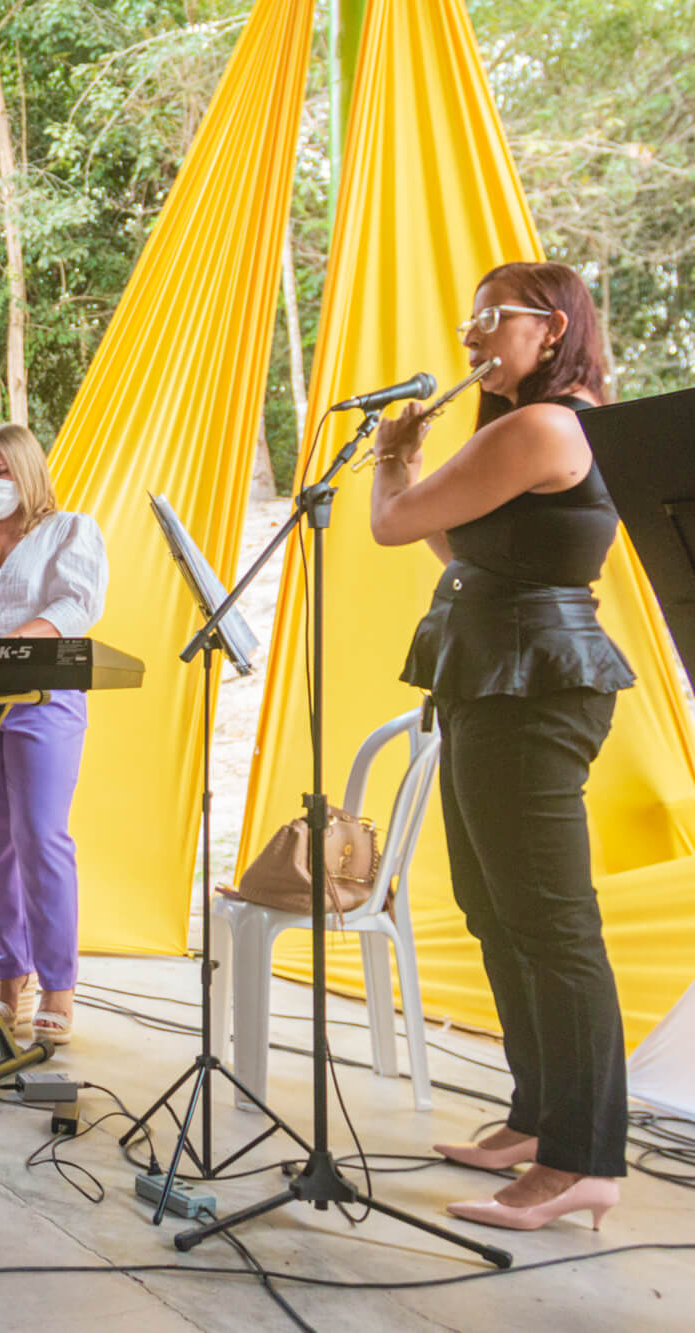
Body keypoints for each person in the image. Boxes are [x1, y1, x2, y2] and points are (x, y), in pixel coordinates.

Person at [370, 260, 632, 1232]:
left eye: (492, 317)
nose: (472, 334)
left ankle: (581, 1160)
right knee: (494, 907)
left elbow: (396, 523)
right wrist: (407, 472)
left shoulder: (542, 424)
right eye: (468, 318)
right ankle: (535, 1117)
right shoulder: (521, 428)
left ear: (552, 328)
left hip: (532, 681)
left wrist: (392, 455)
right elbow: (459, 545)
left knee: (552, 924)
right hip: (492, 671)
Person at [0, 424, 107, 1045]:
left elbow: (76, 605)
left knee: (40, 835)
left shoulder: (70, 531)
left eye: (2, 472)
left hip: (43, 698)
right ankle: (11, 977)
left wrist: (11, 641)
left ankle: (59, 987)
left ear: (28, 473)